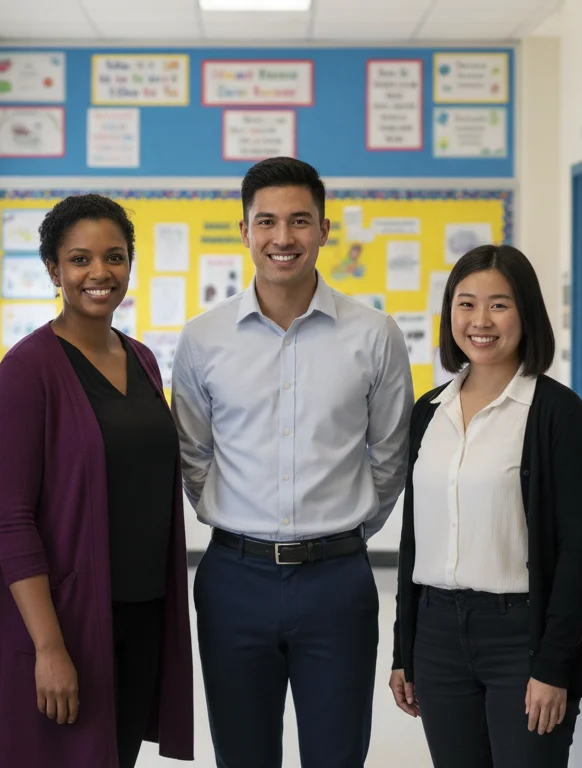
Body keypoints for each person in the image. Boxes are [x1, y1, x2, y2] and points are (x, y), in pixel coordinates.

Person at [170, 157, 413, 768]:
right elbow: (193, 453)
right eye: (268, 222)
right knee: (242, 754)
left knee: (337, 753)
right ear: (245, 230)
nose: (284, 238)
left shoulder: (374, 334)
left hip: (338, 581)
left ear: (325, 230)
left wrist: (347, 529)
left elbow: (389, 456)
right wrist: (235, 520)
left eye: (300, 221)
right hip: (232, 580)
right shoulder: (203, 339)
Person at [0, 194, 194, 768]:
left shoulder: (143, 359)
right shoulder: (26, 372)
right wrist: (49, 648)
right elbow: (13, 521)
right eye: (80, 260)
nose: (100, 273)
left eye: (114, 257)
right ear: (54, 269)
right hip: (65, 621)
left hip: (142, 612)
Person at [388, 245, 582, 768]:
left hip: (520, 637)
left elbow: (577, 550)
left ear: (527, 313)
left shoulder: (556, 413)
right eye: (466, 304)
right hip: (437, 636)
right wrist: (403, 649)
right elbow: (415, 537)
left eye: (499, 305)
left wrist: (553, 665)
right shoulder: (428, 411)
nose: (480, 321)